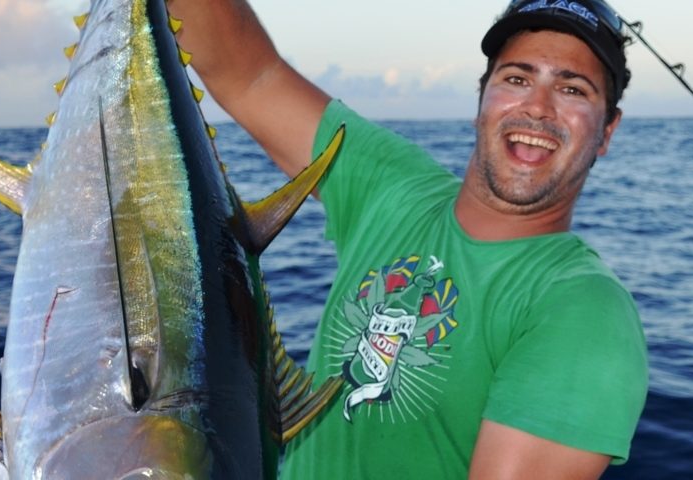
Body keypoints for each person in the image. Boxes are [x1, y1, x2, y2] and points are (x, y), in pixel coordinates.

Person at [167, 0, 649, 478]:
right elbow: (251, 76)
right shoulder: (395, 186)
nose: (538, 108)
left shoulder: (585, 311)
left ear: (607, 131)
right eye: (517, 79)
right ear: (482, 99)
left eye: (572, 89)